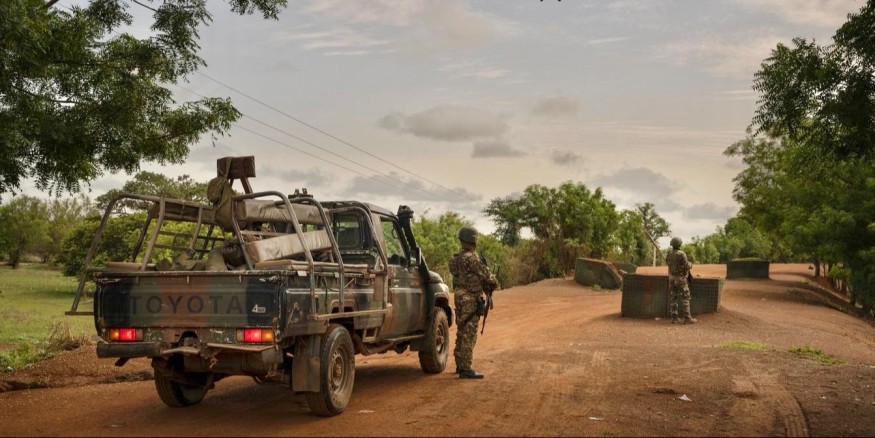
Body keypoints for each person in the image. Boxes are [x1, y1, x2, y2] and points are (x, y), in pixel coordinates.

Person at [449, 226, 498, 379]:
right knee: (469, 332)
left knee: (462, 330)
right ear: (473, 240)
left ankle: (460, 364)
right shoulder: (472, 258)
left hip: (459, 297)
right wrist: (494, 282)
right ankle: (466, 368)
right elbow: (487, 276)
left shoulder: (456, 258)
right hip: (470, 298)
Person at [665, 237, 696, 324]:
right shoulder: (682, 254)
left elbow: (668, 263)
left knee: (673, 298)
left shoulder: (669, 254)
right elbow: (687, 266)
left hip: (672, 278)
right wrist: (691, 264)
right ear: (679, 244)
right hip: (680, 278)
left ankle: (674, 319)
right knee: (685, 297)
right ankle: (687, 318)